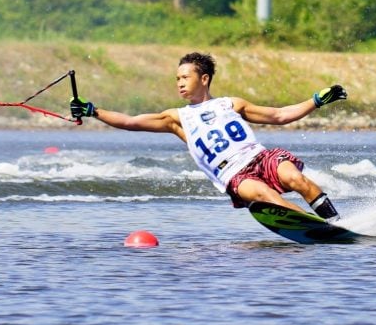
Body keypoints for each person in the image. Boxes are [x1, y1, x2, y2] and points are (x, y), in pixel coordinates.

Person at [70, 52, 346, 221]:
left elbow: (279, 115)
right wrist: (93, 110)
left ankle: (335, 223)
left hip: (260, 158)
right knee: (264, 194)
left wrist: (317, 101)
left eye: (185, 77)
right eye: (177, 78)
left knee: (296, 179)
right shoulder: (177, 118)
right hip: (236, 176)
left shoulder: (231, 104)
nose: (179, 82)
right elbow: (130, 121)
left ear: (204, 79)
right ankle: (313, 227)